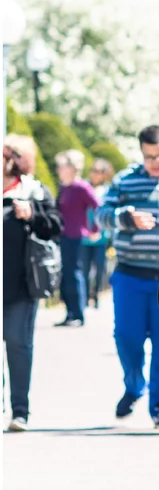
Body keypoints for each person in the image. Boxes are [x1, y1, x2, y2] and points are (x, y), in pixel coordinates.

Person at [98, 128, 159, 428]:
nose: (154, 162)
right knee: (127, 338)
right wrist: (125, 217)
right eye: (148, 157)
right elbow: (100, 215)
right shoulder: (125, 179)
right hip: (129, 274)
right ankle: (133, 386)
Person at [3, 135, 63, 431]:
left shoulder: (34, 191)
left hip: (21, 287)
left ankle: (19, 411)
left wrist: (32, 213)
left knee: (17, 344)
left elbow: (56, 225)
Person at [54, 151, 98, 327]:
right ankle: (69, 313)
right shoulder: (64, 188)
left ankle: (79, 314)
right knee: (66, 275)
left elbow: (97, 206)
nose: (58, 169)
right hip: (63, 236)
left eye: (61, 166)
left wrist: (94, 228)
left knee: (75, 274)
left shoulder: (82, 187)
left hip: (77, 237)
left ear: (72, 168)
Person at [81, 157, 114, 307]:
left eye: (99, 172)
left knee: (100, 267)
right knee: (85, 268)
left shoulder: (107, 190)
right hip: (84, 235)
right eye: (93, 171)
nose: (95, 174)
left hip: (101, 237)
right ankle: (87, 296)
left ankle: (97, 295)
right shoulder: (84, 188)